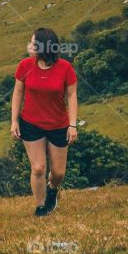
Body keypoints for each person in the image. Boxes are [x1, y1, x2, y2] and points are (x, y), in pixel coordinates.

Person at [11, 27, 78, 217]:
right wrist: (14, 121)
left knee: (58, 173)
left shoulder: (65, 67)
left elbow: (72, 96)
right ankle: (40, 207)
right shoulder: (24, 65)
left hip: (58, 124)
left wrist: (72, 125)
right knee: (38, 167)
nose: (29, 46)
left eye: (32, 43)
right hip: (31, 123)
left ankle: (52, 189)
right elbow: (17, 93)